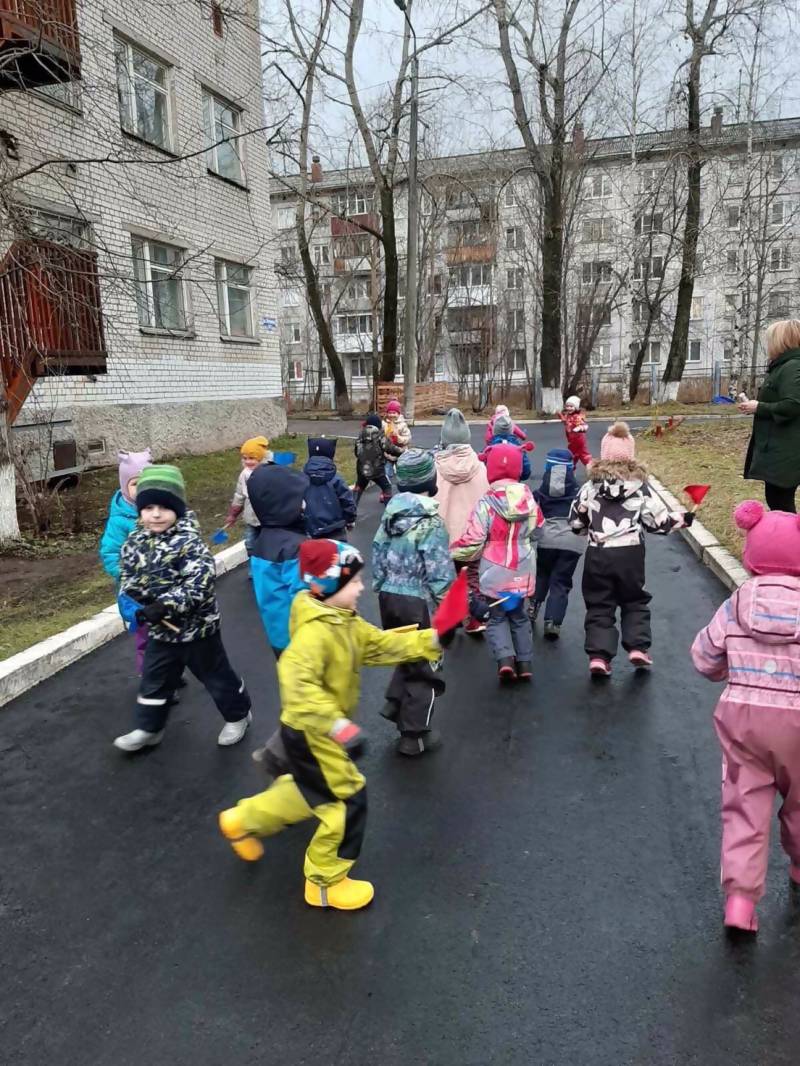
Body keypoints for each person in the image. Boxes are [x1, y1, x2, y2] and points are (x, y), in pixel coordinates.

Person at [218, 539, 443, 911]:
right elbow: (298, 686)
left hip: (314, 731)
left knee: (307, 793)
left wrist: (432, 638)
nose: (361, 587)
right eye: (353, 581)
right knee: (346, 801)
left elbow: (379, 645)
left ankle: (241, 820)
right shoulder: (314, 633)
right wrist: (337, 726)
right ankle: (324, 882)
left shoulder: (342, 619)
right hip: (315, 733)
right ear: (327, 585)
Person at [691, 501, 800, 933]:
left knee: (744, 808)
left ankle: (740, 902)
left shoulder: (736, 605)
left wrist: (727, 669)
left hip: (744, 723)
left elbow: (704, 656)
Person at [113, 465, 252, 752]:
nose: (155, 514)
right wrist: (134, 600)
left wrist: (166, 605)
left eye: (164, 507)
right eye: (148, 507)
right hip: (160, 631)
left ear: (177, 508)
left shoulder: (189, 542)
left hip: (197, 630)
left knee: (216, 677)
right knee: (154, 679)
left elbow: (200, 582)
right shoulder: (134, 541)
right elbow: (127, 574)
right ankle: (149, 728)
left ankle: (238, 715)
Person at [569, 422, 691, 677]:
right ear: (631, 456)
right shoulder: (641, 488)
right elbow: (657, 522)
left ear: (603, 455)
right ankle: (638, 647)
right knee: (634, 599)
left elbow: (576, 520)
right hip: (630, 554)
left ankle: (599, 656)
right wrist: (682, 519)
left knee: (599, 603)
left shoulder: (590, 487)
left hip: (598, 552)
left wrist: (585, 531)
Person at [372, 448, 455, 755]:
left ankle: (395, 701)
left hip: (389, 598)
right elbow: (439, 572)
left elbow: (378, 552)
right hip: (417, 601)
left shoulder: (389, 516)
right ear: (430, 481)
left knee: (406, 652)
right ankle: (414, 735)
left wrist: (381, 585)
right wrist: (450, 608)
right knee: (425, 665)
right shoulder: (431, 523)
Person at [452, 442, 540, 682]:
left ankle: (505, 660)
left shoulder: (487, 502)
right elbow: (538, 529)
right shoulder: (529, 500)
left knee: (497, 616)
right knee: (519, 615)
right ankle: (525, 663)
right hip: (523, 565)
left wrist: (453, 552)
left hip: (494, 568)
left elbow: (474, 540)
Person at [435, 408, 490, 635]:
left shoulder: (436, 467)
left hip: (444, 536)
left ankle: (451, 619)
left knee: (448, 579)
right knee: (472, 577)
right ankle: (474, 620)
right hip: (472, 537)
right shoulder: (480, 467)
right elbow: (486, 499)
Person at [247, 462, 309, 658]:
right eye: (300, 499)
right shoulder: (295, 547)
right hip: (303, 639)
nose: (304, 504)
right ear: (285, 504)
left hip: (277, 636)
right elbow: (306, 597)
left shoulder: (261, 543)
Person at [99, 448, 152, 672]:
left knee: (169, 634)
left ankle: (169, 672)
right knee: (146, 636)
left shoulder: (159, 511)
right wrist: (125, 574)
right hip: (136, 590)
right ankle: (151, 676)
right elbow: (110, 552)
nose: (141, 488)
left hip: (162, 586)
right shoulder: (120, 520)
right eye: (135, 483)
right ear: (124, 486)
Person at [740, 319, 800, 512]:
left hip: (786, 448)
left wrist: (759, 407)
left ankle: (788, 533)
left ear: (782, 341)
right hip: (779, 446)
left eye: (770, 340)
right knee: (777, 500)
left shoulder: (792, 367)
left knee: (781, 502)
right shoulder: (782, 366)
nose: (768, 345)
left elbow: (793, 404)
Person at [531, 448, 586, 639]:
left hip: (547, 539)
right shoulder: (579, 491)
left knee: (542, 574)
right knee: (561, 581)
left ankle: (533, 606)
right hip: (573, 541)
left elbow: (531, 511)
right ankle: (553, 622)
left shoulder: (540, 491)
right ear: (571, 469)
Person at [224, 436, 272, 555]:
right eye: (245, 458)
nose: (247, 461)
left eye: (252, 458)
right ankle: (253, 563)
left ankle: (266, 563)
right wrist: (233, 514)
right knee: (250, 544)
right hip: (251, 518)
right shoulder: (244, 475)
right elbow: (239, 496)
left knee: (268, 545)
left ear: (261, 458)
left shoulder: (270, 472)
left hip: (268, 519)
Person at [303, 437, 356, 539]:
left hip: (310, 531)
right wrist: (350, 520)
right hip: (335, 530)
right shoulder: (336, 479)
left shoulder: (301, 478)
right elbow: (347, 501)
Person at [353, 414, 399, 508]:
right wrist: (402, 452)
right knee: (386, 487)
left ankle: (351, 510)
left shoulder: (361, 434)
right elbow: (390, 448)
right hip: (377, 469)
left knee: (359, 486)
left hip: (362, 468)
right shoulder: (379, 434)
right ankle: (389, 511)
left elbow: (356, 452)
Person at [486, 413, 533, 481]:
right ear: (511, 430)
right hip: (513, 484)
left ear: (494, 430)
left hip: (493, 484)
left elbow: (482, 468)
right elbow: (526, 472)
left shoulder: (489, 449)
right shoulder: (519, 449)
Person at [558, 396, 593, 469]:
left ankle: (592, 469)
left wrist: (579, 428)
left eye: (571, 406)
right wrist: (561, 416)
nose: (569, 408)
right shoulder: (568, 415)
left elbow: (584, 425)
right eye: (567, 406)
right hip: (573, 440)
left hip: (578, 440)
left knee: (577, 456)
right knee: (577, 455)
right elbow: (566, 422)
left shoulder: (577, 416)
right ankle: (572, 471)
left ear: (576, 407)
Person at [383, 398, 411, 481]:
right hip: (388, 453)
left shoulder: (402, 425)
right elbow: (381, 436)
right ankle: (387, 486)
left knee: (402, 472)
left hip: (400, 452)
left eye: (394, 413)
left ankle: (403, 484)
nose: (391, 415)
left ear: (398, 414)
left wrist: (398, 437)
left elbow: (407, 438)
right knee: (386, 472)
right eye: (390, 413)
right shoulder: (384, 424)